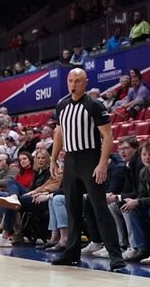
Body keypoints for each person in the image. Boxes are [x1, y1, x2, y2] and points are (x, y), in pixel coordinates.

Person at [50, 68, 124, 270]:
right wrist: (53, 159)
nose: (73, 84)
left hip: (91, 159)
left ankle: (115, 256)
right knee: (72, 210)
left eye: (78, 81)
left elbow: (108, 137)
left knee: (100, 208)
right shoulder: (62, 105)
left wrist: (102, 163)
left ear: (86, 82)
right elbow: (59, 133)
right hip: (71, 161)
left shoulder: (94, 105)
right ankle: (71, 253)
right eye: (71, 80)